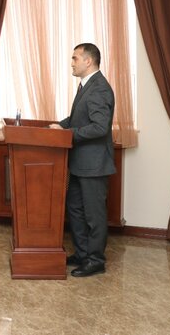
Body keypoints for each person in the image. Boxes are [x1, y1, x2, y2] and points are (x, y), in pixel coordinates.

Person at [49, 42, 115, 278]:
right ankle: (83, 253)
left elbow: (99, 127)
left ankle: (96, 260)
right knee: (75, 209)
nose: (72, 63)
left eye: (75, 58)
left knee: (94, 216)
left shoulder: (99, 88)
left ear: (88, 61)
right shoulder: (85, 86)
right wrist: (57, 126)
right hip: (79, 163)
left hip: (94, 165)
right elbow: (77, 119)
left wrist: (67, 133)